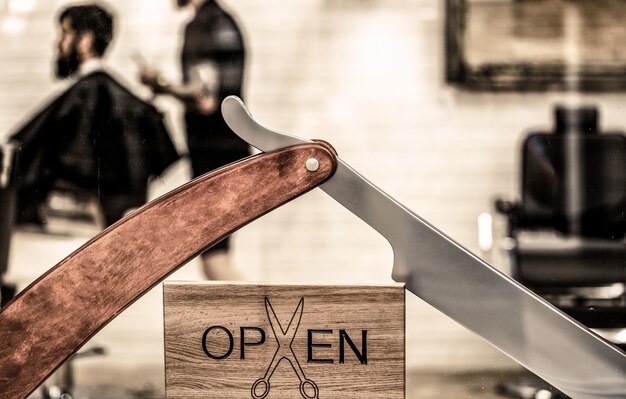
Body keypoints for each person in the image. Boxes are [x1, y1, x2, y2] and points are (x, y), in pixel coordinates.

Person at [9, 3, 179, 228]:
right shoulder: (125, 98)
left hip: (71, 223)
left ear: (86, 40)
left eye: (65, 33)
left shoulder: (86, 94)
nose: (58, 44)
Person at [139, 0, 249, 280]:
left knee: (214, 257)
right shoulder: (218, 21)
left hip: (217, 154)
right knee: (214, 256)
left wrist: (160, 83)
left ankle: (264, 320)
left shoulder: (207, 24)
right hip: (221, 151)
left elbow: (205, 99)